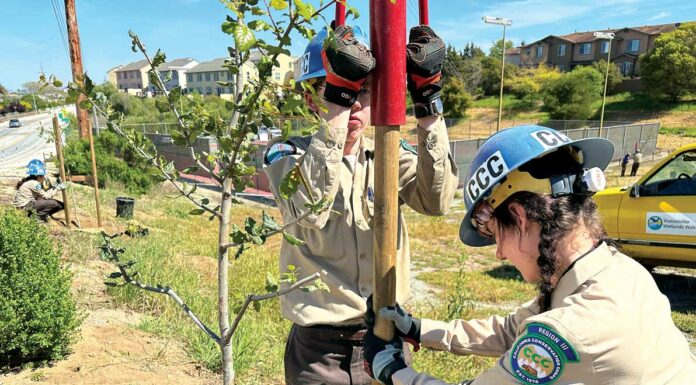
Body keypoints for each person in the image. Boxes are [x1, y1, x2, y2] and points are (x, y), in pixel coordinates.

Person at [363, 125, 696, 385]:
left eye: (495, 235)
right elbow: (511, 329)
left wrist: (393, 372)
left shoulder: (570, 328)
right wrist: (420, 329)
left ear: (520, 218)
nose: (499, 254)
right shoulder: (616, 271)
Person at [263, 24, 459, 385]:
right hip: (321, 351)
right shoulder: (287, 156)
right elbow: (311, 208)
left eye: (364, 91)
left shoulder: (387, 153)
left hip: (385, 337)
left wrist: (427, 98)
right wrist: (340, 96)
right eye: (338, 91)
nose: (354, 102)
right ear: (310, 98)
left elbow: (437, 201)